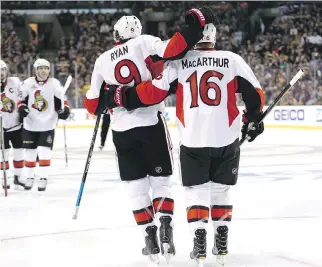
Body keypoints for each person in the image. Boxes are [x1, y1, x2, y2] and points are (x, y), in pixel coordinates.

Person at [103, 23, 265, 266]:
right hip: (227, 137)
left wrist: (123, 97)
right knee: (221, 190)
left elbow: (154, 93)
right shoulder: (231, 59)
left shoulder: (179, 62)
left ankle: (198, 239)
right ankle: (221, 239)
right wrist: (252, 119)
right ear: (215, 36)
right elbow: (256, 94)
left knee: (195, 191)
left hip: (193, 139)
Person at [84, 8, 216, 264]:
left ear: (117, 34)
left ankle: (149, 236)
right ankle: (165, 220)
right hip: (152, 123)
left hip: (122, 131)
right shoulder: (145, 42)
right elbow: (173, 49)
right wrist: (195, 27)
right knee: (162, 180)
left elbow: (92, 105)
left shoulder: (102, 60)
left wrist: (111, 96)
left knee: (136, 188)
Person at [18, 58, 70, 191]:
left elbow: (62, 101)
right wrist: (22, 108)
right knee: (30, 152)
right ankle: (29, 177)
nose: (43, 71)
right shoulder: (28, 83)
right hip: (30, 123)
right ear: (35, 70)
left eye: (45, 68)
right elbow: (21, 100)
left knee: (45, 151)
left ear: (49, 70)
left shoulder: (54, 83)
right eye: (40, 68)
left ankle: (43, 178)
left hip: (48, 124)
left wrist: (65, 111)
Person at [0, 60, 25, 190]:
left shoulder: (14, 82)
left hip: (16, 124)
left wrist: (23, 109)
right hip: (0, 127)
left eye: (3, 69)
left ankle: (18, 178)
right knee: (2, 153)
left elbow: (23, 96)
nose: (1, 73)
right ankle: (4, 178)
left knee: (18, 152)